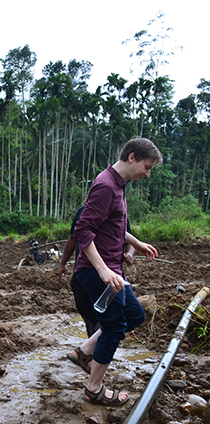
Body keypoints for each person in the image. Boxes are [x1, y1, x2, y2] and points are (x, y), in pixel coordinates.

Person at [67, 137, 162, 407]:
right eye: (146, 167)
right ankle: (93, 389)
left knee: (134, 314)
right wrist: (103, 269)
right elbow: (82, 231)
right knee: (115, 326)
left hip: (113, 270)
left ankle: (84, 352)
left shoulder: (118, 185)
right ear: (131, 157)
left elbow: (113, 226)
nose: (147, 173)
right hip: (98, 272)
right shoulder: (106, 186)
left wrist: (136, 243)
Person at [60, 207, 135, 339]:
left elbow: (129, 240)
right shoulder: (82, 212)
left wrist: (129, 253)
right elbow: (73, 238)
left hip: (109, 275)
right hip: (82, 275)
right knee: (88, 314)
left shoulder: (119, 214)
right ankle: (91, 350)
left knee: (105, 316)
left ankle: (94, 353)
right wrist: (63, 263)